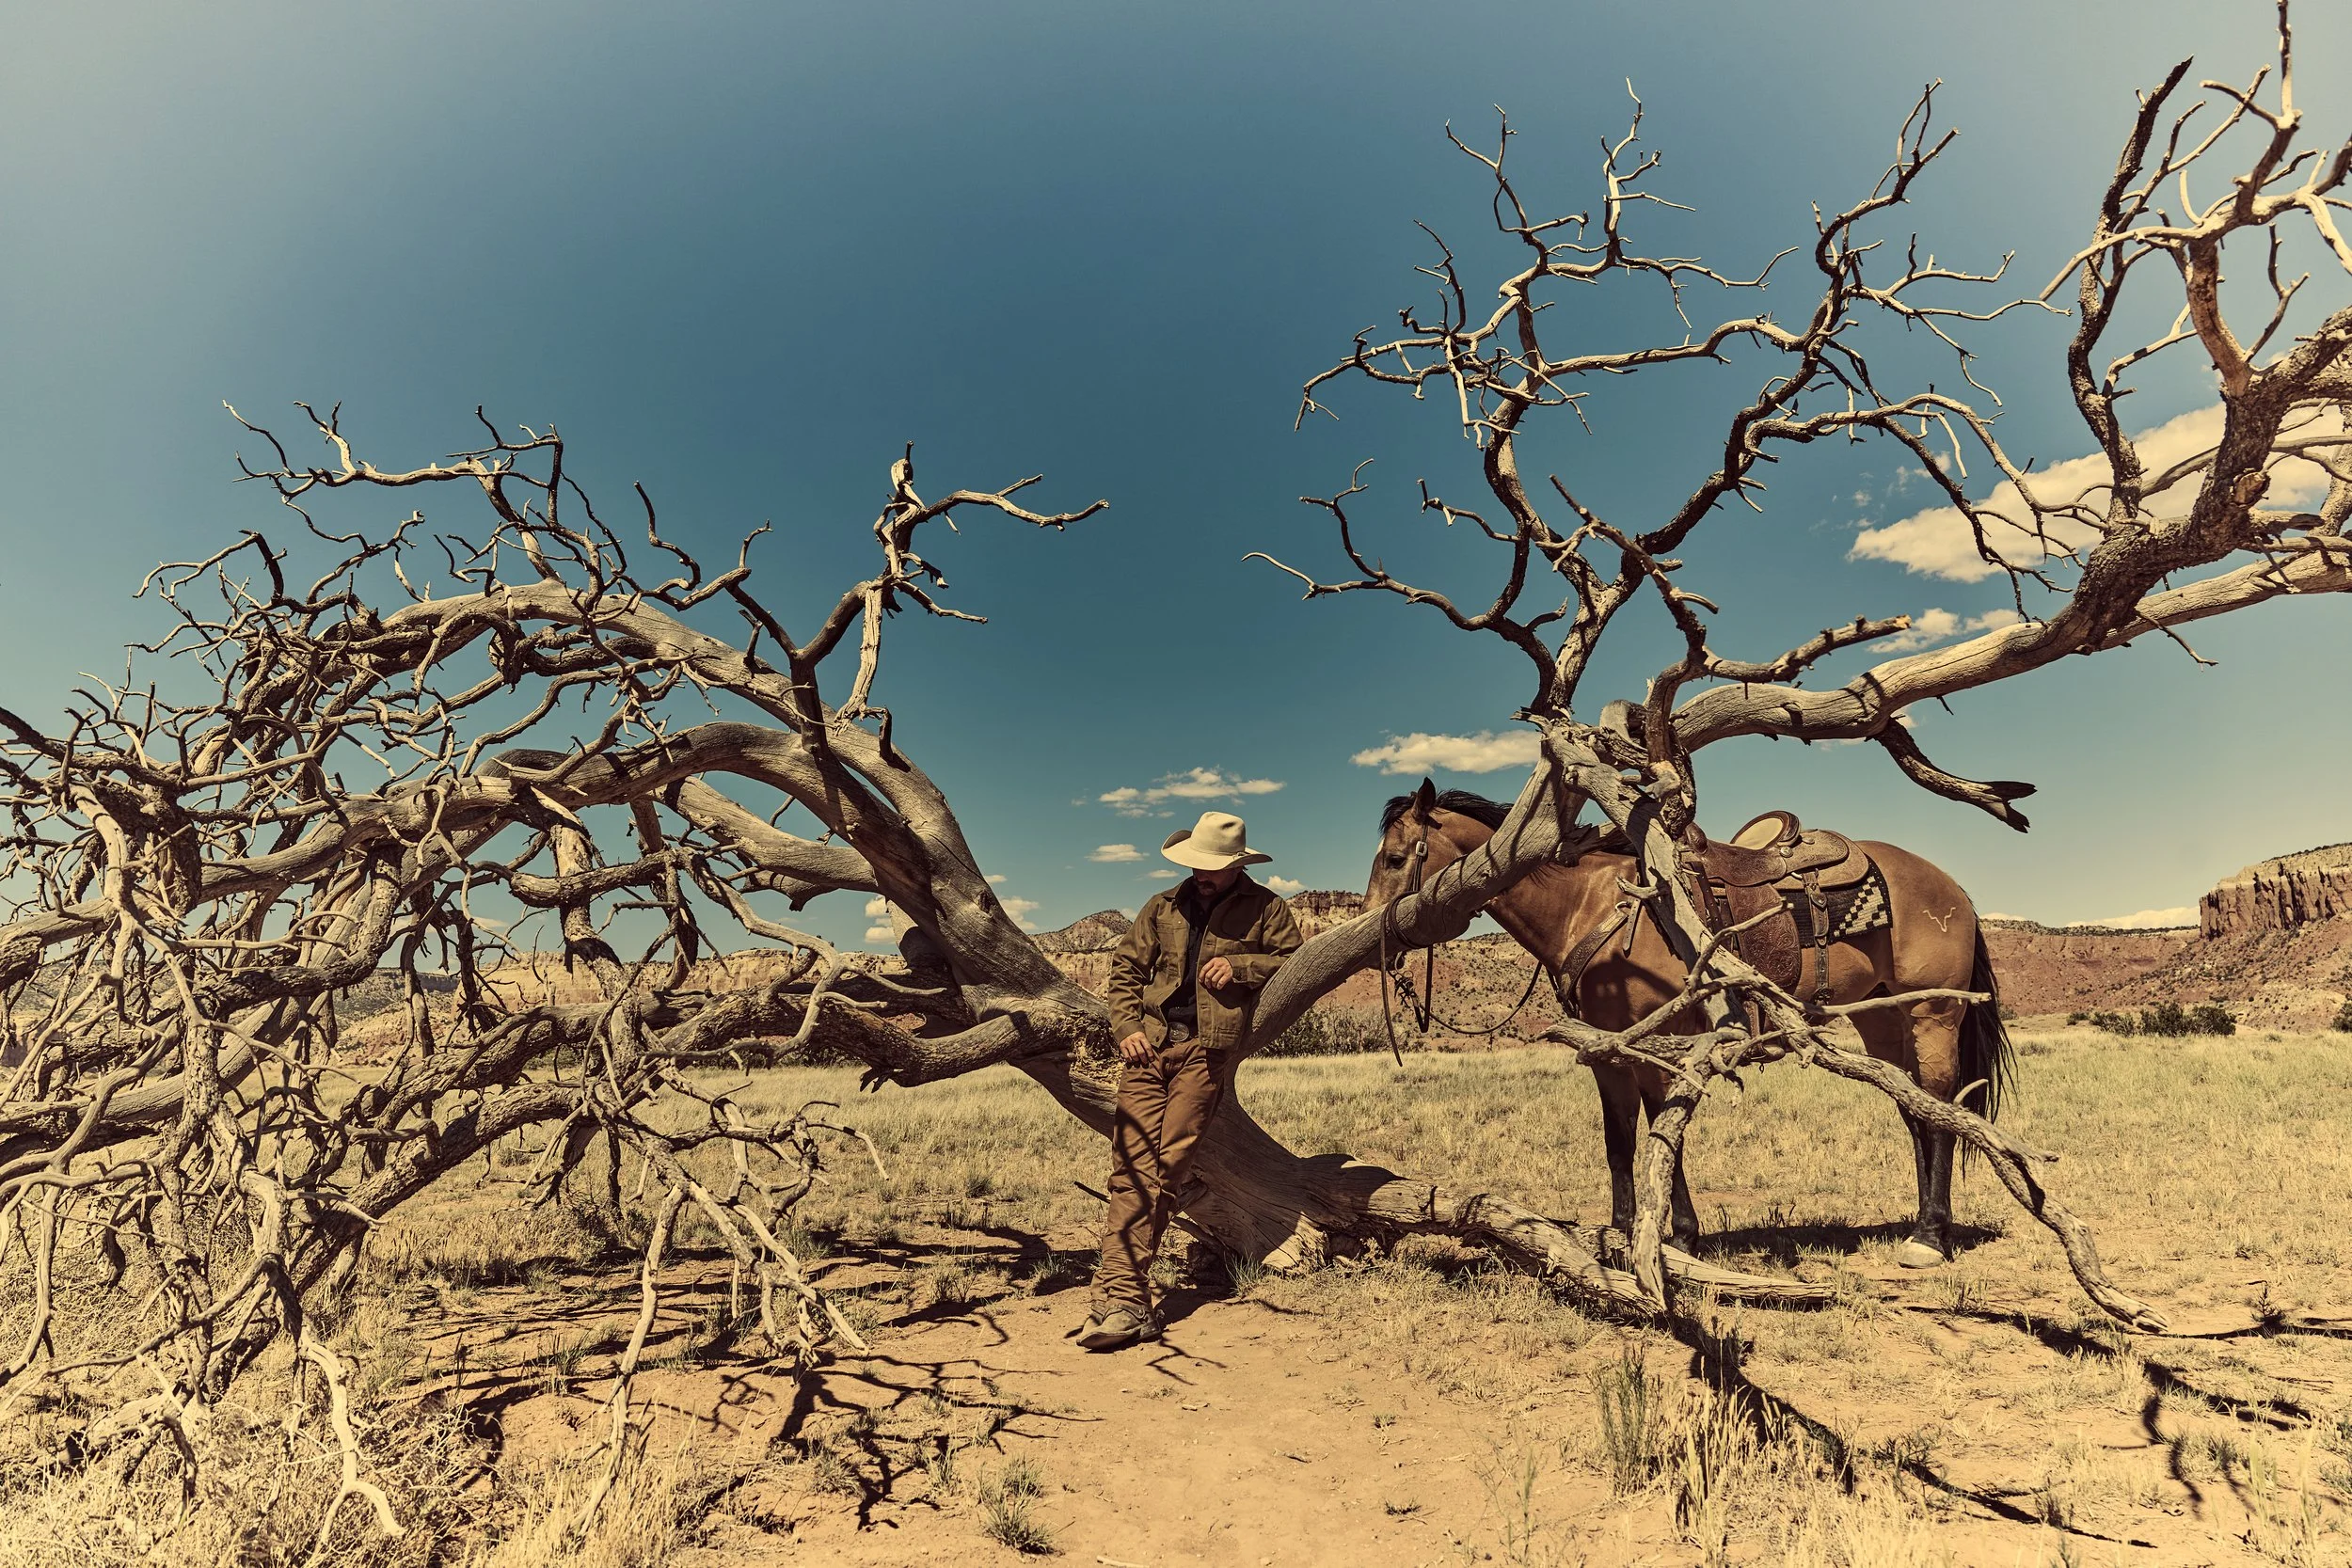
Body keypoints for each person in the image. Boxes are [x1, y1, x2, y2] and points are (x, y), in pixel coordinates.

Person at [1077, 810, 1302, 1352]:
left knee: (1165, 1166)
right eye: (1197, 864)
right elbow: (1126, 971)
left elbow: (1295, 961)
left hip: (1205, 1053)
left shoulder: (1266, 908)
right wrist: (1127, 1027)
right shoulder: (1161, 907)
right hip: (1148, 1049)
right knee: (1129, 1167)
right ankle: (1123, 1298)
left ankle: (1118, 1297)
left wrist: (1243, 968)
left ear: (1235, 866)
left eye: (1214, 866)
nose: (1203, 874)